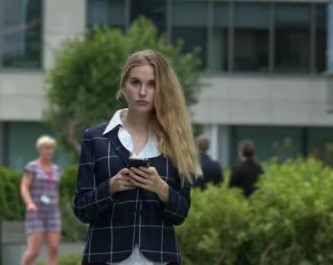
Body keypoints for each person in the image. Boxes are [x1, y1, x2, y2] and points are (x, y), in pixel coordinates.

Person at [73, 50, 202, 265]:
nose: (143, 92)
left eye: (152, 84)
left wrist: (161, 188)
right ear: (124, 86)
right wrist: (111, 187)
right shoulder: (94, 138)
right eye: (135, 82)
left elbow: (181, 214)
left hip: (159, 259)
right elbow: (81, 210)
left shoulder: (176, 141)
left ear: (162, 89)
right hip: (105, 258)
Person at [20, 135, 62, 265]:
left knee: (54, 249)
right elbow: (24, 187)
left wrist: (57, 204)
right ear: (40, 150)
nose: (49, 151)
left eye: (51, 148)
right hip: (36, 212)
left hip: (52, 212)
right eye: (46, 148)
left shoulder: (56, 169)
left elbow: (55, 189)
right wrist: (30, 203)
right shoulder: (32, 167)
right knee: (34, 251)